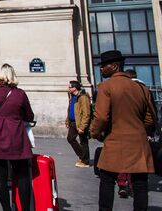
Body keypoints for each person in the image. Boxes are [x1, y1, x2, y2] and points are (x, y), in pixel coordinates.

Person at [90, 50, 156, 211]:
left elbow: (101, 117)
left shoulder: (106, 87)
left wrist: (95, 133)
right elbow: (149, 118)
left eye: (103, 66)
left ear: (114, 66)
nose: (101, 69)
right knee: (140, 183)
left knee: (106, 180)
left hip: (115, 140)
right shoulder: (141, 89)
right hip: (139, 142)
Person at [0, 64, 35, 211]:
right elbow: (30, 115)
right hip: (16, 134)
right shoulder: (20, 94)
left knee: (1, 177)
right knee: (22, 176)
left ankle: (6, 209)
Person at [65, 80, 91, 168]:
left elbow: (86, 113)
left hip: (80, 123)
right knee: (70, 138)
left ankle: (85, 161)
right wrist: (67, 120)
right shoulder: (72, 96)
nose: (68, 88)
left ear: (74, 88)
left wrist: (82, 126)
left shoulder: (83, 97)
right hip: (72, 122)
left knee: (83, 141)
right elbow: (70, 109)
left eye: (70, 87)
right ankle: (82, 156)